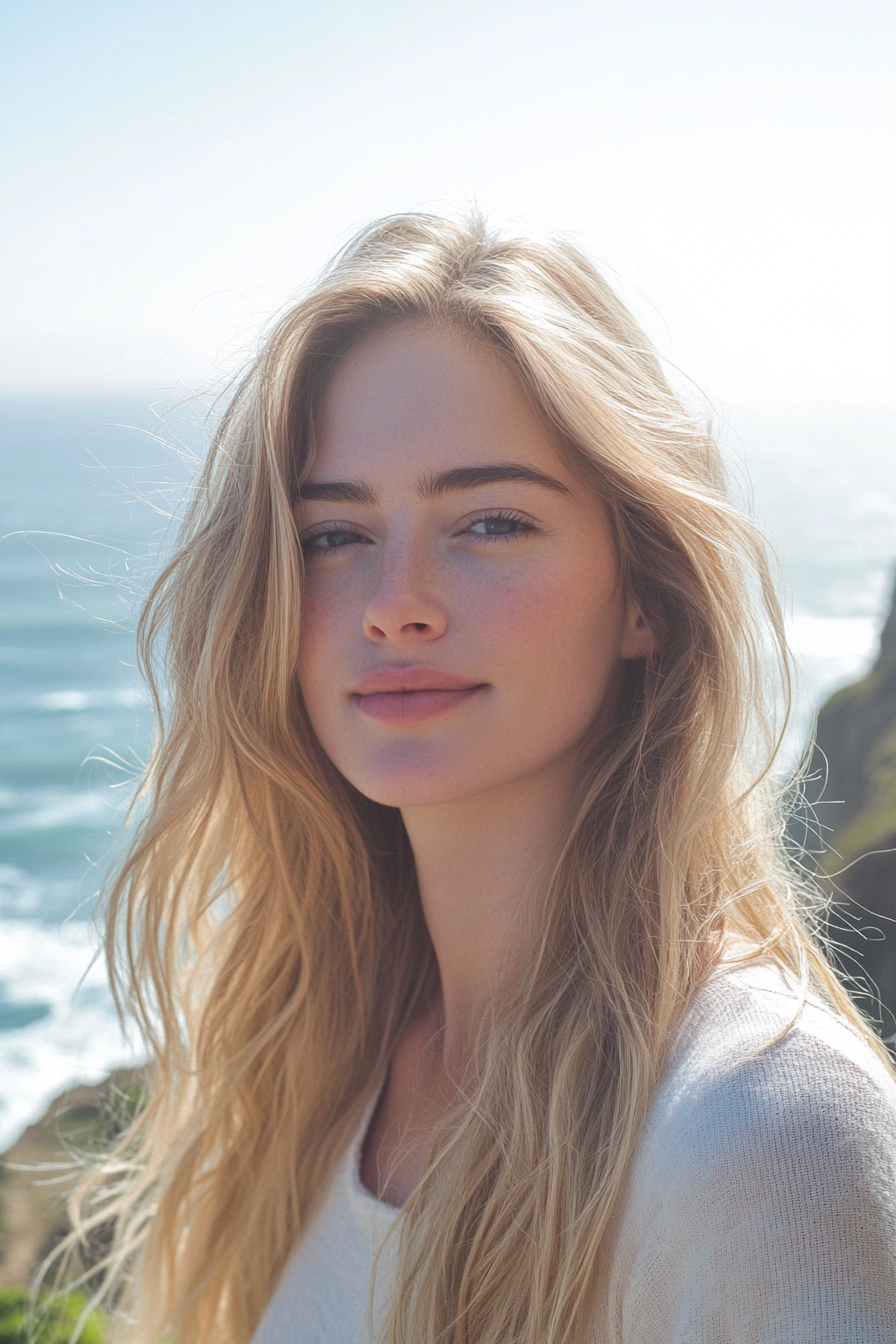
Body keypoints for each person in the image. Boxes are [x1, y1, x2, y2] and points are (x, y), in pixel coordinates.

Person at [66, 213, 896, 1343]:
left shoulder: (764, 1129)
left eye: (490, 522)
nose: (393, 600)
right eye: (331, 536)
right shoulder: (311, 1066)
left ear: (644, 594)